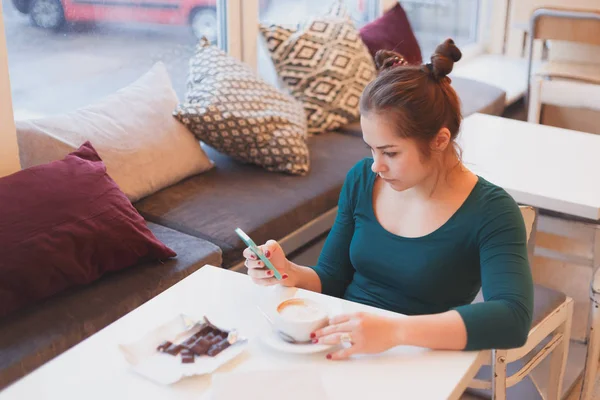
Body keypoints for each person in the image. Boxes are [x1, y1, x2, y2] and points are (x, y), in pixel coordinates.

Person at [243, 38, 534, 361]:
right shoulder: (362, 180)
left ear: (439, 140)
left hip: (417, 357)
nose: (376, 166)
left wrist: (395, 331)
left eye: (390, 152)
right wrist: (288, 272)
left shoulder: (492, 212)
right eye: (371, 149)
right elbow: (332, 276)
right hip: (342, 345)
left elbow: (512, 318)